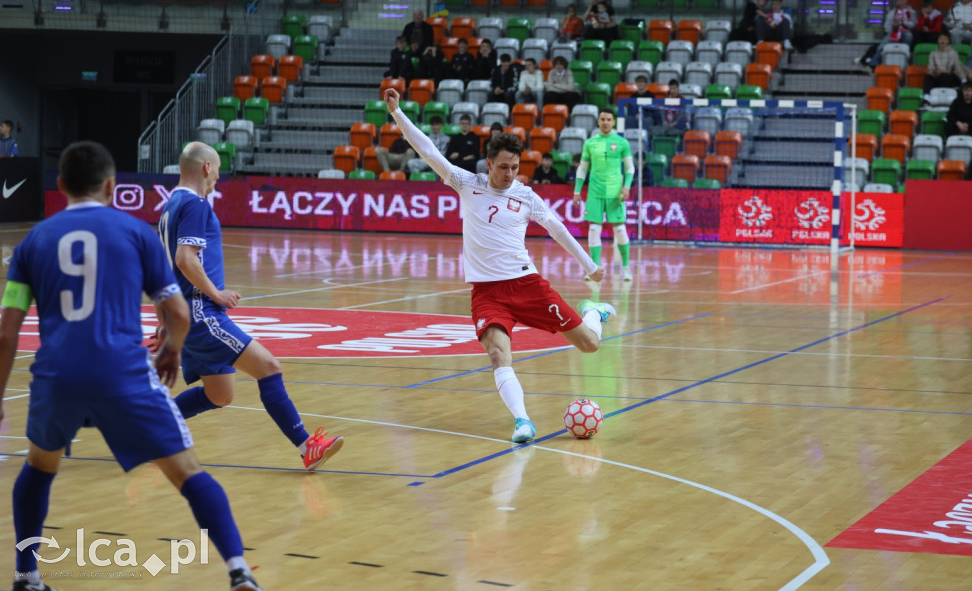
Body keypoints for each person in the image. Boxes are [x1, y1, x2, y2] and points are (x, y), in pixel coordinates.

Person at [0, 141, 264, 591]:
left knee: (39, 467)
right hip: (121, 371)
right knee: (188, 472)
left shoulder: (32, 244)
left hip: (56, 374)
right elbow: (177, 313)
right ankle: (239, 571)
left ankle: (27, 576)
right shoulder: (134, 233)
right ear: (110, 185)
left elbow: (7, 333)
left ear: (61, 186)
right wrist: (173, 351)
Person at [383, 87, 616, 443]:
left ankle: (594, 314)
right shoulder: (466, 183)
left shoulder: (526, 196)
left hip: (527, 285)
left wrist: (590, 264)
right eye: (504, 167)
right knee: (497, 354)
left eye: (516, 168)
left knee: (589, 345)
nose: (510, 174)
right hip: (487, 292)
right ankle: (523, 422)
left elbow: (557, 229)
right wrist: (398, 113)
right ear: (489, 164)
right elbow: (428, 150)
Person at [158, 142, 343, 471]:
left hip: (186, 315)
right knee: (269, 366)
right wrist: (216, 293)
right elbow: (184, 259)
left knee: (220, 395)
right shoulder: (197, 204)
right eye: (216, 168)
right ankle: (306, 447)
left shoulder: (170, 204)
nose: (217, 176)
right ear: (205, 168)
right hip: (202, 314)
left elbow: (166, 268)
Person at [573, 108, 636, 282]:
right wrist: (577, 191)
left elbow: (630, 168)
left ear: (613, 122)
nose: (606, 122)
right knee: (594, 229)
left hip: (616, 193)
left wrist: (627, 187)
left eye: (609, 119)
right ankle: (593, 269)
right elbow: (583, 168)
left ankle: (626, 268)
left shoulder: (622, 142)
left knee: (620, 230)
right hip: (595, 192)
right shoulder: (590, 143)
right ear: (598, 121)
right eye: (603, 119)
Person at [865, 0, 916, 69]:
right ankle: (873, 65)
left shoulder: (911, 12)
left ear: (907, 0)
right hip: (893, 32)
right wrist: (893, 26)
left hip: (906, 31)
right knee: (881, 46)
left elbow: (914, 24)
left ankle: (907, 61)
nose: (901, 1)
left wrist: (904, 22)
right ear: (897, 1)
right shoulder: (892, 13)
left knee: (908, 36)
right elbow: (886, 26)